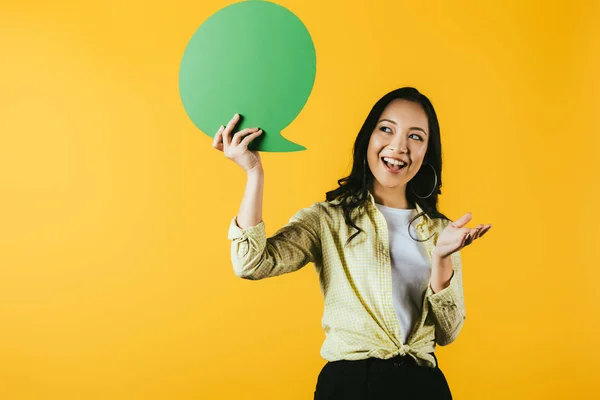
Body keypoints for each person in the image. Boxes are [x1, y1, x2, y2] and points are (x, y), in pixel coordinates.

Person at [212, 87, 492, 399]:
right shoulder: (327, 219)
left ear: (427, 152)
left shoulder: (442, 231)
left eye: (415, 137)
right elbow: (251, 263)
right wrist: (254, 173)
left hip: (424, 387)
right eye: (386, 129)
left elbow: (448, 332)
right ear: (367, 139)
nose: (399, 146)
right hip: (351, 385)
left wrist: (441, 260)